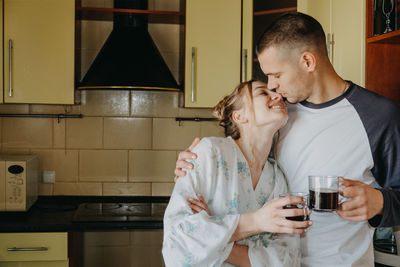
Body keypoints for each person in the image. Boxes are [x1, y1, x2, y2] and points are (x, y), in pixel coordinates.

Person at [174, 12, 400, 267]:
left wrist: (381, 203)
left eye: (277, 75)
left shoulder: (379, 117)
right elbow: (237, 169)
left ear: (307, 61)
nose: (272, 86)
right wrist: (195, 167)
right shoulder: (277, 115)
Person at [162, 80, 312, 267]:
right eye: (263, 93)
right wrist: (257, 221)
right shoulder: (210, 152)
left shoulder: (277, 178)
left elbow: (286, 259)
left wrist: (216, 237)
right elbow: (178, 242)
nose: (277, 96)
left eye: (274, 92)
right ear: (239, 116)